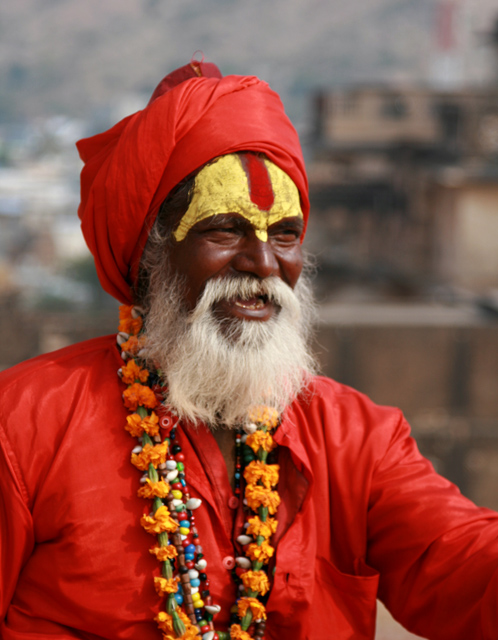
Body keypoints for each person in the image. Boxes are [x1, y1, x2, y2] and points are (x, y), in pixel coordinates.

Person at [0, 59, 497, 640]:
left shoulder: (354, 435)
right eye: (224, 230)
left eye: (284, 235)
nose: (263, 266)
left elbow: (461, 559)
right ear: (150, 259)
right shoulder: (24, 424)